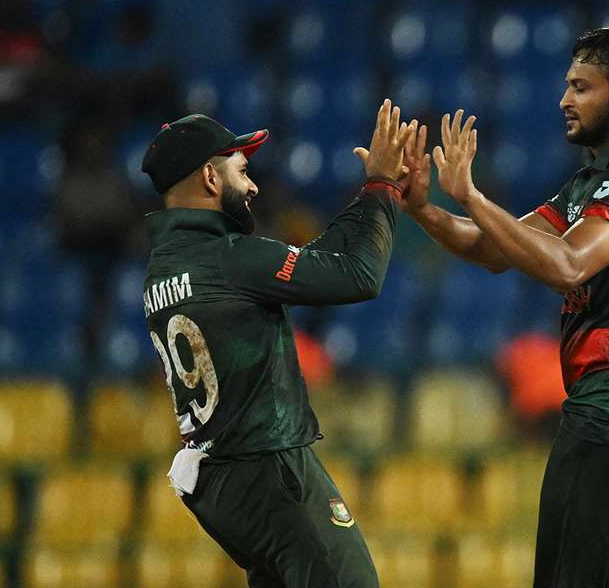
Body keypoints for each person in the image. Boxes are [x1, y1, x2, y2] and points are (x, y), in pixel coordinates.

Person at [400, 28, 609, 587]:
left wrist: (472, 195)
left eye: (581, 87)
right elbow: (495, 248)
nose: (564, 100)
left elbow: (567, 265)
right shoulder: (594, 183)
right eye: (566, 86)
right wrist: (424, 208)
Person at [140, 100, 414, 588]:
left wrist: (369, 193)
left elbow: (311, 260)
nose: (253, 186)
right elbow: (359, 275)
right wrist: (383, 187)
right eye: (242, 171)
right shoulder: (229, 259)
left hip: (222, 483)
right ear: (209, 177)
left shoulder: (162, 270)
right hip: (270, 467)